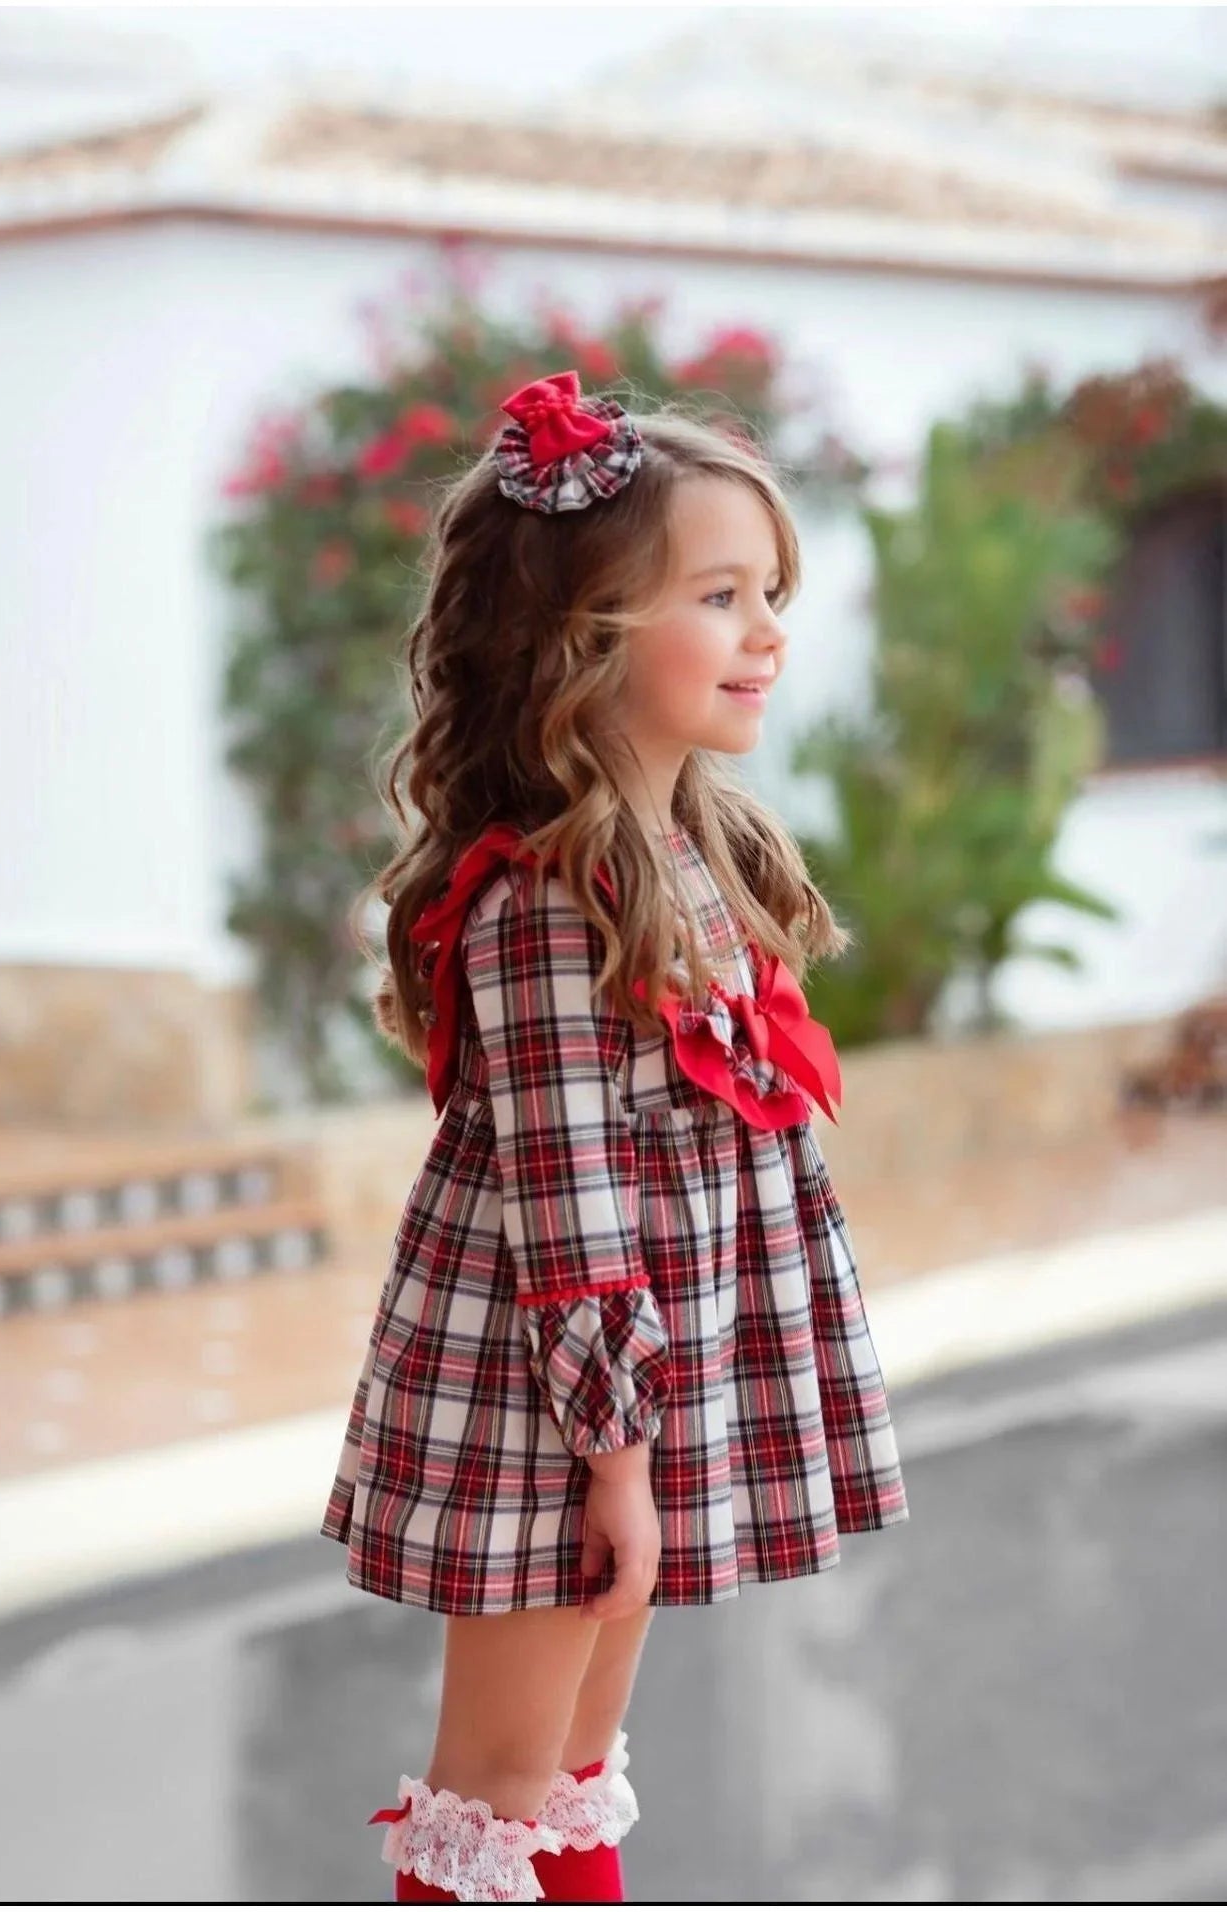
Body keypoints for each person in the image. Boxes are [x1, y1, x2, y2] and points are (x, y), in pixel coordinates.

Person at [319, 368, 910, 1903]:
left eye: (768, 591)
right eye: (719, 595)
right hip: (561, 1413)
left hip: (635, 1395)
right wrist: (617, 1463)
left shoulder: (682, 855)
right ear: (576, 641)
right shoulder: (540, 903)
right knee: (505, 1780)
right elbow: (574, 1218)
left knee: (575, 1772)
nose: (768, 633)